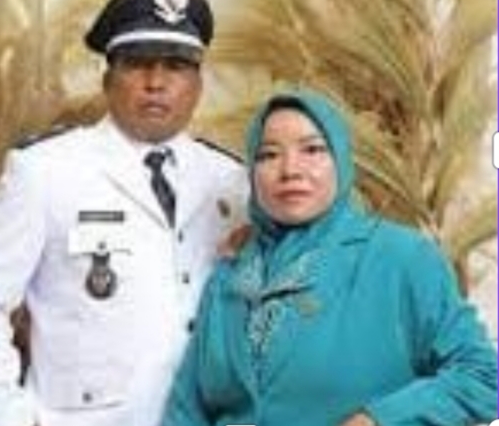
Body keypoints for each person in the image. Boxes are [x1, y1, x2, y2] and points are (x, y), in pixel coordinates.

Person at [162, 87, 498, 426]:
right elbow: (187, 408)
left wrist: (377, 420)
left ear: (341, 160)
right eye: (269, 155)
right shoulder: (231, 274)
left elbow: (483, 377)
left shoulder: (400, 258)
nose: (290, 169)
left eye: (312, 149)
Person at [0, 0, 247, 426]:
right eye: (137, 63)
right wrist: (13, 416)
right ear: (107, 78)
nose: (156, 82)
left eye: (175, 65)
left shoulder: (231, 181)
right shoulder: (44, 172)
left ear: (198, 83)